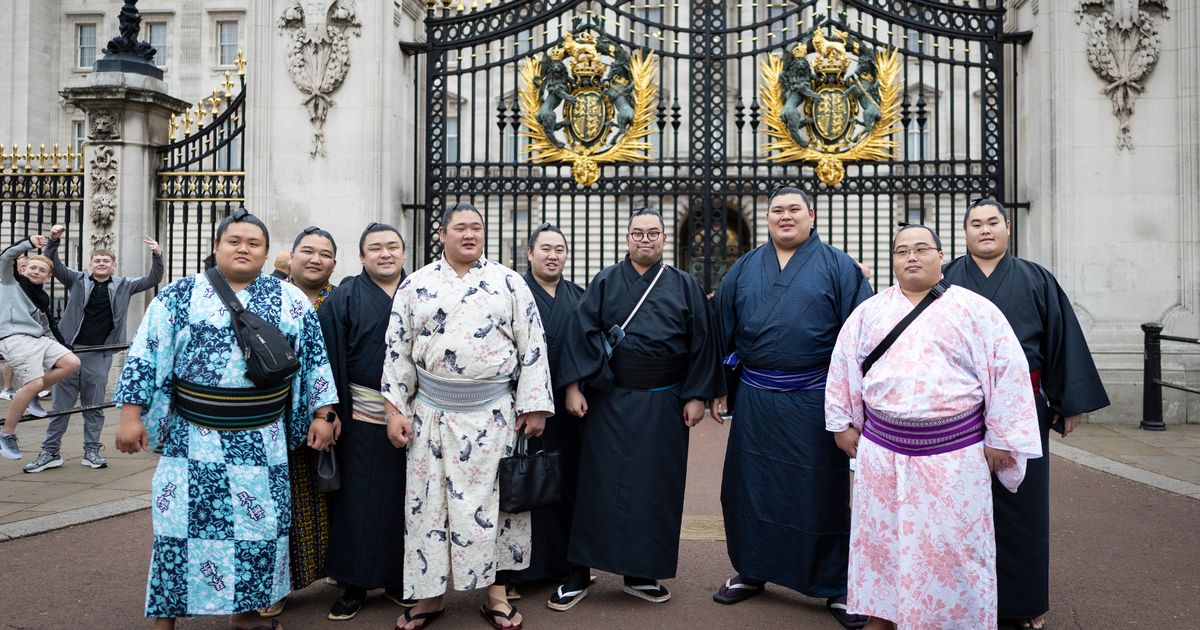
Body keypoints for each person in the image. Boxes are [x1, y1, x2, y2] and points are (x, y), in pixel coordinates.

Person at [112, 208, 338, 630]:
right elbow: (147, 354)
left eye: (254, 243)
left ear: (268, 252)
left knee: (260, 531)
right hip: (193, 436)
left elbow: (315, 361)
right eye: (234, 241)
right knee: (178, 528)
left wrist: (323, 413)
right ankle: (167, 617)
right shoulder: (179, 296)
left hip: (262, 438)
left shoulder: (289, 299)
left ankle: (247, 614)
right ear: (216, 246)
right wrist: (130, 415)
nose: (243, 248)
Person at [825, 224, 1042, 630]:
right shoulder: (868, 313)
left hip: (954, 451)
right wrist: (842, 423)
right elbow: (843, 368)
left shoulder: (976, 310)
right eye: (902, 250)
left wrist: (1000, 436)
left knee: (952, 547)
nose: (911, 257)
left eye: (922, 248)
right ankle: (882, 615)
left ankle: (952, 620)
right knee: (881, 543)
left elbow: (1008, 372)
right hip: (883, 447)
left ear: (941, 256)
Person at [382, 202, 554, 630]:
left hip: (493, 414)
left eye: (476, 228)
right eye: (460, 228)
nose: (469, 234)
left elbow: (533, 345)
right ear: (442, 234)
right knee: (428, 508)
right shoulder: (415, 285)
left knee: (495, 506)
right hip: (430, 415)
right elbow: (396, 350)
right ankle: (429, 596)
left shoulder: (509, 283)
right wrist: (393, 409)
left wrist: (533, 405)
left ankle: (496, 595)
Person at [942, 198, 1110, 630]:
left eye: (992, 222)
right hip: (957, 410)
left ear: (1008, 227)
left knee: (1023, 505)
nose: (984, 230)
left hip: (1022, 406)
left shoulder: (1036, 279)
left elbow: (1060, 338)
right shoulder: (945, 282)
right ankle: (959, 597)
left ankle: (1021, 602)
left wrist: (1068, 401)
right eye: (975, 224)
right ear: (964, 232)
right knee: (957, 507)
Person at [708, 187, 872, 628]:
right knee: (749, 487)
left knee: (819, 492)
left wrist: (853, 405)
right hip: (758, 398)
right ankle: (753, 569)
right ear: (767, 219)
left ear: (811, 216)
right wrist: (721, 387)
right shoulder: (743, 269)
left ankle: (835, 583)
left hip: (815, 399)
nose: (785, 217)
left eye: (793, 209)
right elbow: (721, 328)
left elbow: (862, 339)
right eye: (776, 210)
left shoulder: (839, 267)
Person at [552, 207, 724, 610]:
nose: (645, 240)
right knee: (595, 484)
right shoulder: (606, 281)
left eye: (653, 234)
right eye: (637, 234)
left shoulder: (684, 285)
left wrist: (696, 394)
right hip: (608, 398)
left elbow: (703, 343)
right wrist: (574, 386)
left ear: (664, 239)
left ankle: (641, 572)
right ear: (627, 238)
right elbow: (580, 333)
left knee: (655, 488)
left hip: (664, 400)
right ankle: (579, 570)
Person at [319, 223, 415, 620]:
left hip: (413, 414)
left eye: (393, 246)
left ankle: (398, 579)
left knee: (405, 501)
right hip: (360, 413)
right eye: (375, 248)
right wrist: (329, 412)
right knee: (358, 503)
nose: (385, 253)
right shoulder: (343, 298)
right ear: (361, 257)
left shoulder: (422, 290)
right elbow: (324, 360)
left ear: (404, 253)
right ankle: (354, 584)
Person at [23, 225, 164, 473]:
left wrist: (157, 256)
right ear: (90, 264)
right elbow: (55, 264)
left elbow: (152, 280)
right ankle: (50, 452)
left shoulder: (124, 285)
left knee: (94, 407)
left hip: (99, 354)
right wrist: (53, 241)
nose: (101, 263)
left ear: (113, 266)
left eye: (106, 261)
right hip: (68, 352)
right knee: (61, 407)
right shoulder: (77, 279)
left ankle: (92, 450)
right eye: (97, 260)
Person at [256, 225, 342, 619]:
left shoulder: (342, 300)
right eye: (307, 251)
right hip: (273, 418)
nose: (315, 259)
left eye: (324, 254)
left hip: (334, 414)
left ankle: (340, 571)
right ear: (290, 257)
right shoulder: (264, 299)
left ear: (334, 263)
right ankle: (273, 584)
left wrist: (329, 411)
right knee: (276, 505)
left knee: (328, 499)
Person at [506, 223, 586, 597]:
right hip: (521, 406)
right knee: (523, 483)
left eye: (560, 249)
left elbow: (588, 348)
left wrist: (574, 387)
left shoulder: (580, 297)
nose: (553, 256)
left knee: (566, 482)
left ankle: (566, 562)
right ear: (529, 253)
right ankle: (519, 569)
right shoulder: (512, 292)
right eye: (546, 249)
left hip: (568, 408)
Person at [1, 236, 81, 461]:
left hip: (37, 338)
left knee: (72, 362)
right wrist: (29, 243)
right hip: (14, 336)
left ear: (48, 276)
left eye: (41, 269)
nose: (36, 271)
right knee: (34, 382)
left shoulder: (43, 298)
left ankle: (30, 394)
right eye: (33, 268)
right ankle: (6, 433)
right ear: (25, 270)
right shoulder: (11, 283)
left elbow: (48, 326)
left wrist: (65, 347)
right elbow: (6, 257)